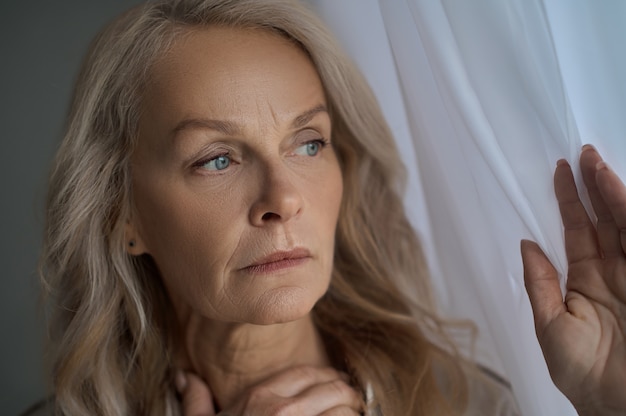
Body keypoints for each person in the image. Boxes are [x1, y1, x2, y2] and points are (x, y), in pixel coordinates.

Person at [32, 0, 626, 415]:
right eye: (217, 159)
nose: (283, 199)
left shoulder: (468, 404)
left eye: (309, 143)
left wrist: (607, 403)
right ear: (121, 215)